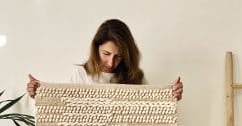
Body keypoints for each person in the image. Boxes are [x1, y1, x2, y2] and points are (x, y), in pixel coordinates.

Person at [27, 19, 183, 100]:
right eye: (106, 54)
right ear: (96, 48)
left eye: (119, 56)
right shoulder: (81, 74)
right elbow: (63, 108)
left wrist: (170, 96)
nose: (111, 62)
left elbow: (151, 111)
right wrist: (40, 94)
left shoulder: (135, 77)